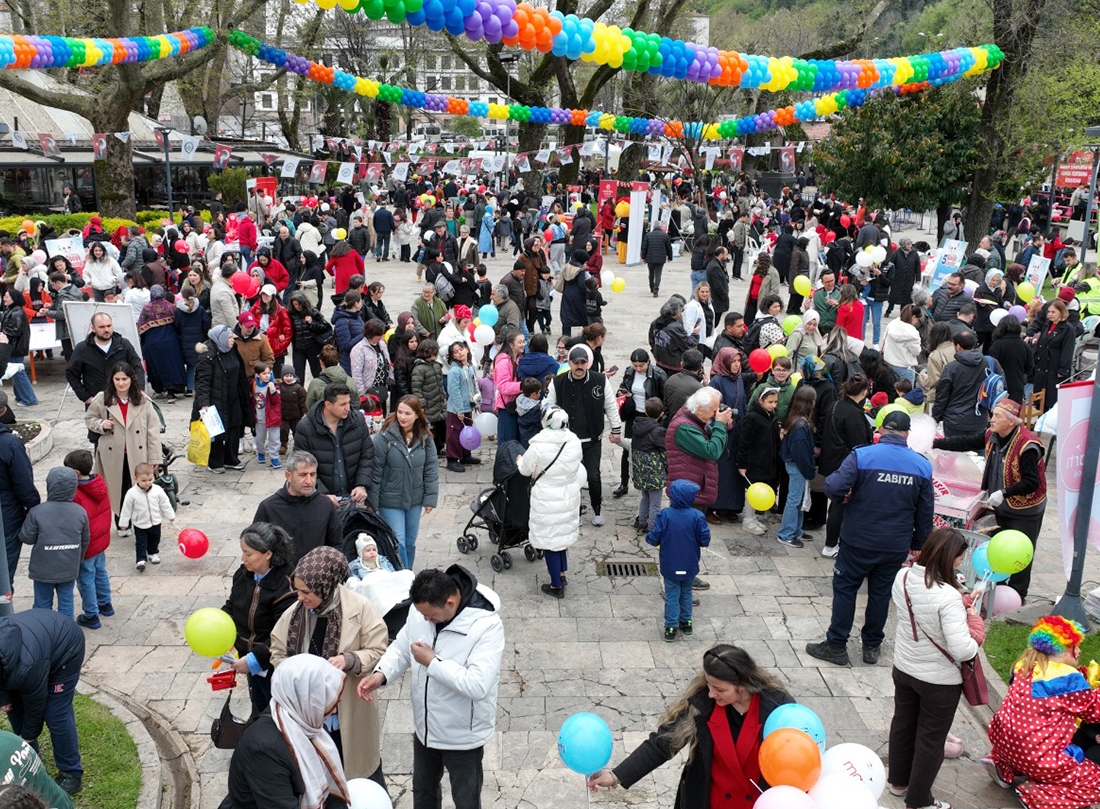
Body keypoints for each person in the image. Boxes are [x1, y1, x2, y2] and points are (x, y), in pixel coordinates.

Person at [358, 565, 504, 809]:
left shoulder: (486, 626)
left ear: (450, 602)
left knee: (466, 800)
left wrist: (432, 662)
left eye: (431, 616)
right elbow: (404, 645)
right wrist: (381, 674)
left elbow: (477, 684)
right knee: (423, 793)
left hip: (462, 737)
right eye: (422, 614)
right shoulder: (421, 609)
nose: (425, 619)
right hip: (425, 729)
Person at [587, 644, 794, 808]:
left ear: (743, 684)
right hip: (707, 802)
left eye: (719, 689)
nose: (711, 694)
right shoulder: (702, 704)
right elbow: (662, 744)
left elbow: (798, 757)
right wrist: (615, 776)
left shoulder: (778, 707)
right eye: (709, 684)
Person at [806, 410, 934, 666]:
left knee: (845, 590)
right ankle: (872, 646)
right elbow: (925, 511)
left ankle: (836, 645)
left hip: (858, 539)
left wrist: (845, 496)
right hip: (894, 544)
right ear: (907, 434)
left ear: (881, 431)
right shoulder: (921, 465)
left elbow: (832, 486)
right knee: (880, 594)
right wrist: (919, 544)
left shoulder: (861, 456)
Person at [269, 546, 388, 783]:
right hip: (307, 714)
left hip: (348, 709)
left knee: (359, 772)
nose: (300, 598)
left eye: (306, 592)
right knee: (317, 775)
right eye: (298, 591)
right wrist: (295, 674)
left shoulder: (360, 608)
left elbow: (378, 650)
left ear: (326, 585)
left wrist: (349, 660)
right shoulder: (295, 613)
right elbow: (277, 650)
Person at [888, 527, 984, 809]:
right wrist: (975, 624)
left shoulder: (902, 576)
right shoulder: (947, 596)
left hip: (904, 668)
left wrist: (961, 604)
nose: (960, 562)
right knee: (931, 739)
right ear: (949, 557)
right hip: (938, 681)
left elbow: (920, 613)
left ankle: (898, 782)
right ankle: (919, 801)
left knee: (903, 725)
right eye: (959, 558)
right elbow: (963, 648)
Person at [933, 397, 1046, 600]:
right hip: (1001, 507)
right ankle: (996, 591)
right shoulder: (992, 434)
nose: (991, 419)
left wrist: (1004, 493)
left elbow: (1032, 482)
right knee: (999, 549)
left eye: (997, 416)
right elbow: (967, 442)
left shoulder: (1028, 445)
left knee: (1020, 551)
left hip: (1025, 509)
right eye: (992, 414)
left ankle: (1018, 596)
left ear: (1011, 421)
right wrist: (936, 443)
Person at [983, 615, 1100, 809]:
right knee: (1095, 782)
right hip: (1037, 756)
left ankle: (1002, 766)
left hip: (1004, 744)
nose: (1079, 651)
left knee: (1020, 742)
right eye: (1075, 646)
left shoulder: (1024, 667)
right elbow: (1094, 711)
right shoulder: (1068, 681)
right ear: (1062, 650)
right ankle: (1037, 796)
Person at [218, 655, 350, 809]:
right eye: (325, 701)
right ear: (307, 699)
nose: (333, 709)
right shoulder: (264, 750)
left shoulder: (302, 718)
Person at [0, 609, 86, 795]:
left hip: (65, 647)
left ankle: (71, 773)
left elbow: (35, 706)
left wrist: (28, 735)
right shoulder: (8, 663)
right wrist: (4, 699)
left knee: (56, 713)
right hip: (37, 642)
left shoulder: (26, 668)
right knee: (14, 707)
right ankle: (30, 758)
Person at [220, 522, 298, 715]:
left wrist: (254, 660)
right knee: (259, 707)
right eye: (242, 552)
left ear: (268, 554)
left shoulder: (285, 588)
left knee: (276, 714)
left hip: (272, 665)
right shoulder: (243, 574)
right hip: (249, 662)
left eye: (248, 553)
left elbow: (284, 635)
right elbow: (233, 605)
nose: (243, 558)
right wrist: (217, 623)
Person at [546, 344, 622, 526]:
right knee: (571, 477)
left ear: (587, 363)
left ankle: (597, 509)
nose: (579, 366)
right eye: (576, 363)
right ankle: (576, 511)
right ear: (569, 363)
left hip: (592, 439)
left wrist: (616, 428)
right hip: (568, 440)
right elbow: (548, 407)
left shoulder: (601, 380)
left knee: (594, 476)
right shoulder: (558, 382)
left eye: (583, 363)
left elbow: (610, 405)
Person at [84, 362, 161, 539]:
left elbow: (152, 429)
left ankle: (140, 521)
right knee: (116, 487)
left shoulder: (142, 399)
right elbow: (89, 418)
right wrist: (101, 424)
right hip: (113, 452)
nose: (120, 383)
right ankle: (121, 521)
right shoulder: (102, 399)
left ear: (130, 379)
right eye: (117, 379)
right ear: (112, 380)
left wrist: (155, 456)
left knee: (138, 487)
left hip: (137, 451)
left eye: (124, 379)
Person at [518, 405, 583, 598]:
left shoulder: (538, 445)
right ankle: (561, 573)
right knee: (560, 536)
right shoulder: (574, 441)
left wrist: (520, 461)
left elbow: (525, 470)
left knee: (550, 540)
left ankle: (556, 585)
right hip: (569, 493)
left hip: (547, 496)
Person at [369, 395, 439, 569]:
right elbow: (376, 471)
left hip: (414, 497)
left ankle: (407, 571)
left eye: (407, 413)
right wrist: (372, 502)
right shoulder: (384, 438)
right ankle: (404, 578)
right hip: (390, 499)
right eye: (400, 412)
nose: (402, 417)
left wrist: (430, 497)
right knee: (398, 541)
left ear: (417, 414)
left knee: (410, 542)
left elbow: (431, 469)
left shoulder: (425, 438)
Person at [18, 467, 89, 620]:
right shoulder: (80, 512)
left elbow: (26, 538)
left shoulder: (37, 511)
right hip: (68, 567)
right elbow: (85, 539)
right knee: (66, 602)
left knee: (42, 604)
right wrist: (79, 560)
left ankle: (43, 634)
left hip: (43, 569)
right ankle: (67, 635)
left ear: (49, 486)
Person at [647, 479, 710, 641]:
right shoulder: (698, 516)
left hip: (670, 565)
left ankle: (671, 627)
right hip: (689, 565)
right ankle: (686, 622)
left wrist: (650, 537)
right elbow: (705, 540)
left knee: (672, 595)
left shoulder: (665, 515)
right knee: (687, 593)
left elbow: (655, 538)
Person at [818, 374, 873, 558]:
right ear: (864, 392)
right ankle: (831, 545)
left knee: (836, 504)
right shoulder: (854, 414)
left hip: (832, 461)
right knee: (840, 505)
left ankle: (833, 544)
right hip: (846, 466)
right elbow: (860, 446)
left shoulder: (836, 405)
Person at [294, 383, 373, 505]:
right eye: (342, 404)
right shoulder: (305, 428)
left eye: (348, 402)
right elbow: (301, 466)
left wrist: (362, 485)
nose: (348, 407)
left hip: (352, 499)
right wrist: (321, 494)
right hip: (320, 503)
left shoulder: (357, 420)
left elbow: (367, 454)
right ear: (328, 405)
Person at [192, 326, 253, 473]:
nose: (233, 339)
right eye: (230, 337)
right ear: (221, 338)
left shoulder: (232, 350)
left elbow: (240, 373)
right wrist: (204, 404)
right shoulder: (208, 356)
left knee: (235, 427)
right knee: (217, 432)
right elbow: (203, 383)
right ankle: (215, 462)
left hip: (233, 397)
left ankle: (231, 459)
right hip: (215, 400)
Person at [0, 389, 39, 588]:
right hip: (7, 517)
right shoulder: (10, 444)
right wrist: (34, 506)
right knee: (4, 578)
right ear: (3, 410)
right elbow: (23, 482)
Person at [932, 330, 1004, 438]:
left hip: (954, 420)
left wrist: (935, 419)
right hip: (980, 418)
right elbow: (1001, 388)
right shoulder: (991, 363)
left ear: (958, 346)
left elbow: (942, 396)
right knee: (978, 452)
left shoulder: (952, 368)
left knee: (954, 452)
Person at [777, 386, 816, 549]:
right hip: (797, 466)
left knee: (798, 499)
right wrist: (809, 470)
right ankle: (786, 533)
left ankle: (796, 530)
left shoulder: (796, 420)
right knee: (794, 500)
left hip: (796, 465)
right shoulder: (801, 425)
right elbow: (800, 452)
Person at [117, 461, 175, 572]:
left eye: (150, 480)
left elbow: (164, 503)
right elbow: (126, 509)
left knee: (155, 539)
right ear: (135, 478)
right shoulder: (131, 493)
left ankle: (153, 553)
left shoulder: (157, 490)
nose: (147, 483)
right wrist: (123, 523)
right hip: (140, 523)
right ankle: (140, 559)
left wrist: (170, 515)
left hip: (155, 521)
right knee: (141, 542)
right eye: (143, 481)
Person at [1031, 298, 1075, 408]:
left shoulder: (1068, 329)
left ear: (1061, 312)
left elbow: (1067, 351)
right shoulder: (1047, 324)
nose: (1050, 314)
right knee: (1040, 400)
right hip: (1042, 367)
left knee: (1052, 400)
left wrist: (1062, 370)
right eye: (1049, 312)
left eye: (1053, 312)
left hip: (1055, 369)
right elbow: (1041, 343)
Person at [445, 342, 479, 472]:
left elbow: (473, 385)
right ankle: (452, 459)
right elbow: (454, 392)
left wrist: (476, 402)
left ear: (466, 349)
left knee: (467, 431)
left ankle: (466, 454)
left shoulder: (470, 367)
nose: (460, 352)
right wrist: (459, 409)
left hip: (468, 406)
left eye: (461, 349)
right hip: (456, 409)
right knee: (455, 433)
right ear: (452, 356)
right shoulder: (454, 371)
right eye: (456, 351)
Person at [0, 289, 35, 407]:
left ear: (14, 299)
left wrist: (2, 333)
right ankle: (21, 396)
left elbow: (14, 330)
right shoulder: (11, 310)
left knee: (19, 373)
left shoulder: (17, 312)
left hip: (15, 347)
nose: (4, 299)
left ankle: (29, 398)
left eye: (7, 297)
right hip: (13, 346)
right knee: (15, 372)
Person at [286, 291, 330, 384]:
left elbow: (324, 326)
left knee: (317, 373)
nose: (298, 306)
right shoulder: (290, 314)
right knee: (298, 376)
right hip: (298, 349)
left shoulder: (312, 311)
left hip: (312, 347)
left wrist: (311, 323)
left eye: (299, 304)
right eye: (295, 304)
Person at [492, 330, 526, 444]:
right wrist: (522, 386)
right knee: (507, 441)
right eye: (520, 342)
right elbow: (503, 386)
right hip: (506, 407)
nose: (523, 344)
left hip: (517, 405)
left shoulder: (518, 359)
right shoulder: (503, 362)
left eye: (524, 341)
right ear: (511, 345)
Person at [304, 345, 360, 412]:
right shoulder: (350, 380)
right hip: (347, 419)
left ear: (321, 362)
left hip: (324, 420)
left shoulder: (315, 383)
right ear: (337, 360)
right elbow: (357, 402)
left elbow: (310, 407)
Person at [920, 322, 956, 410]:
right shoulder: (955, 347)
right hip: (956, 393)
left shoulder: (935, 355)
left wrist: (925, 379)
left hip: (939, 396)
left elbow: (935, 380)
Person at [641, 222, 673, 297]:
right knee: (658, 274)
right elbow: (669, 247)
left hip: (650, 258)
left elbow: (644, 247)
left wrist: (643, 257)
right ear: (661, 227)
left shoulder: (648, 235)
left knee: (651, 273)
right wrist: (670, 257)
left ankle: (651, 287)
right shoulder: (665, 236)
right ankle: (656, 289)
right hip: (660, 258)